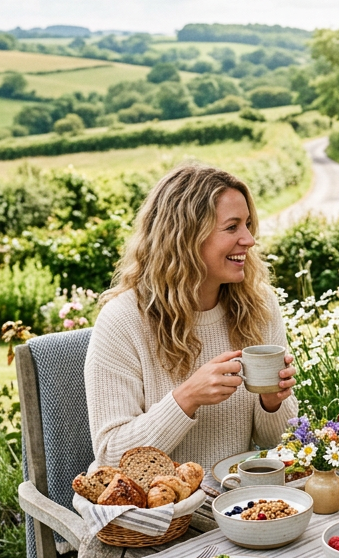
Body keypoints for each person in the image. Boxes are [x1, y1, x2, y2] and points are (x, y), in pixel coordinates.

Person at [85, 163, 298, 473]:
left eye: (248, 224)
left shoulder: (259, 305)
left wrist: (273, 402)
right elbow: (110, 456)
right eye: (232, 227)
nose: (249, 240)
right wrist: (186, 398)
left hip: (236, 498)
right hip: (162, 513)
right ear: (185, 236)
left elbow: (277, 441)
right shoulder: (123, 320)